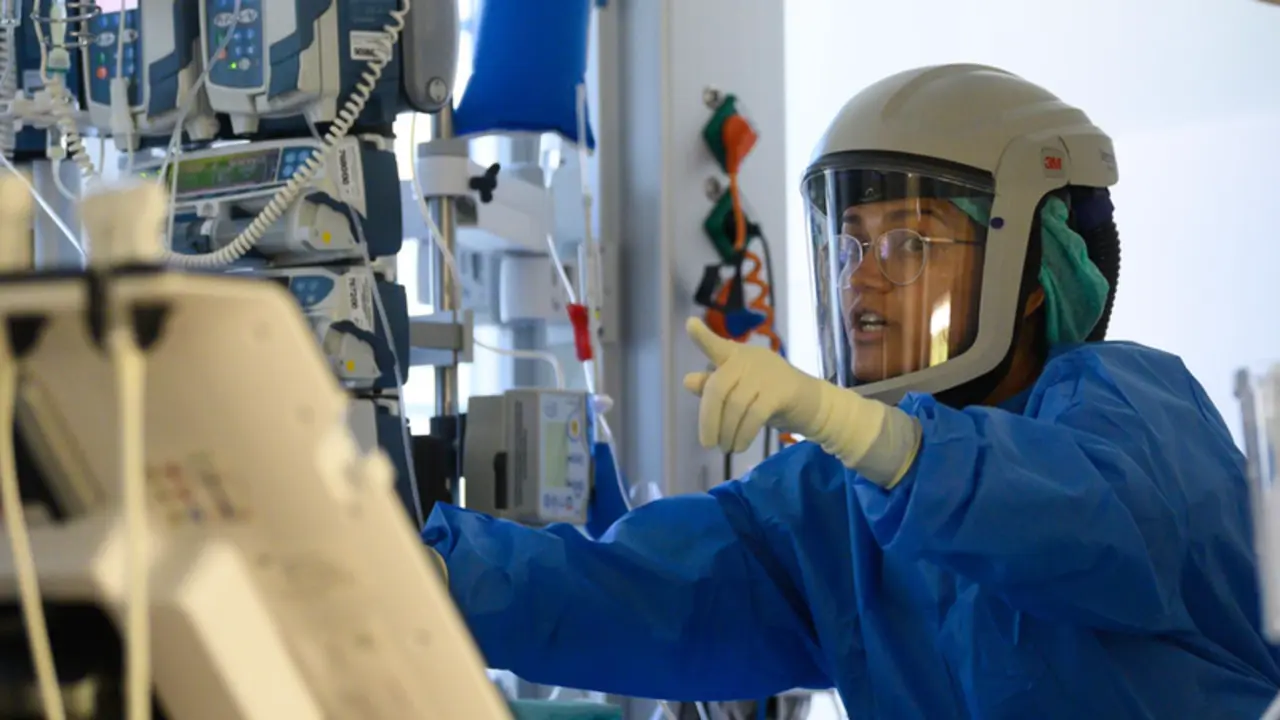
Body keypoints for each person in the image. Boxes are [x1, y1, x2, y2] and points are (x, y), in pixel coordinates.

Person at [422, 64, 1280, 718]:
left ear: (1030, 272)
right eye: (848, 244)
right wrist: (421, 574)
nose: (860, 284)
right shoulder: (838, 500)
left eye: (910, 241)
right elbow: (639, 593)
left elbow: (1077, 524)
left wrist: (878, 442)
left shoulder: (1131, 404)